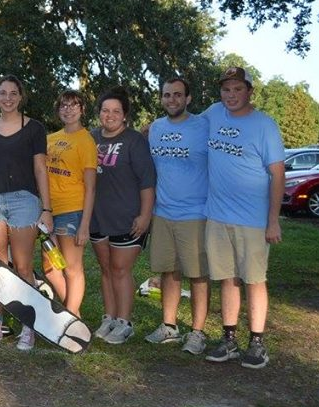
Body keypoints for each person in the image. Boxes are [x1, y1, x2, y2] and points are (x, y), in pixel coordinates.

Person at [202, 66, 285, 370]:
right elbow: (187, 127)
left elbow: (278, 174)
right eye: (226, 89)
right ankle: (229, 339)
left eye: (238, 89)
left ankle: (257, 343)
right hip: (217, 216)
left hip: (252, 219)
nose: (231, 95)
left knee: (254, 280)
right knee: (227, 278)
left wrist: (273, 220)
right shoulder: (212, 113)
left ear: (250, 91)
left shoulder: (265, 125)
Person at [0, 75, 54, 351]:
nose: (7, 98)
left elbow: (40, 170)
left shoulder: (34, 129)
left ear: (21, 96)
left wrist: (46, 209)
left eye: (13, 93)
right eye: (2, 93)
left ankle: (28, 325)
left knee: (22, 266)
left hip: (25, 202)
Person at [145, 77, 211, 354]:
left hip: (195, 212)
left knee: (197, 275)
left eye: (177, 95)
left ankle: (197, 332)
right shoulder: (155, 128)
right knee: (168, 271)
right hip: (162, 212)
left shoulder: (204, 126)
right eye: (167, 95)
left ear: (188, 99)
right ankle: (169, 326)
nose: (172, 99)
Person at [90, 87, 156, 344]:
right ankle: (109, 317)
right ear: (99, 114)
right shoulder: (91, 138)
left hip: (127, 217)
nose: (110, 115)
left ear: (125, 115)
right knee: (105, 269)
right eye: (105, 110)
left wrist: (145, 215)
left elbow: (147, 183)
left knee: (120, 269)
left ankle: (124, 322)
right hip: (97, 216)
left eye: (116, 111)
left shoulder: (134, 141)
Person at [44, 90, 97, 317]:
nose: (68, 109)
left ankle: (71, 315)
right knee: (50, 267)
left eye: (74, 105)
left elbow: (91, 186)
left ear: (82, 110)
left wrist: (85, 225)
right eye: (64, 105)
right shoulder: (51, 138)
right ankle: (73, 314)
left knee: (72, 268)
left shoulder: (86, 141)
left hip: (72, 212)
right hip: (49, 211)